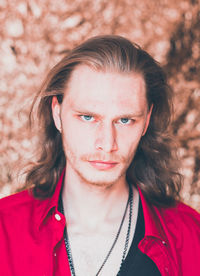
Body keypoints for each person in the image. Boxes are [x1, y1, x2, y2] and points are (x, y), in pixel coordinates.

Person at [0, 35, 200, 276]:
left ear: (146, 121)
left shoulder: (191, 236)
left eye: (125, 120)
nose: (107, 143)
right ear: (57, 114)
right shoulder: (5, 228)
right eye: (88, 117)